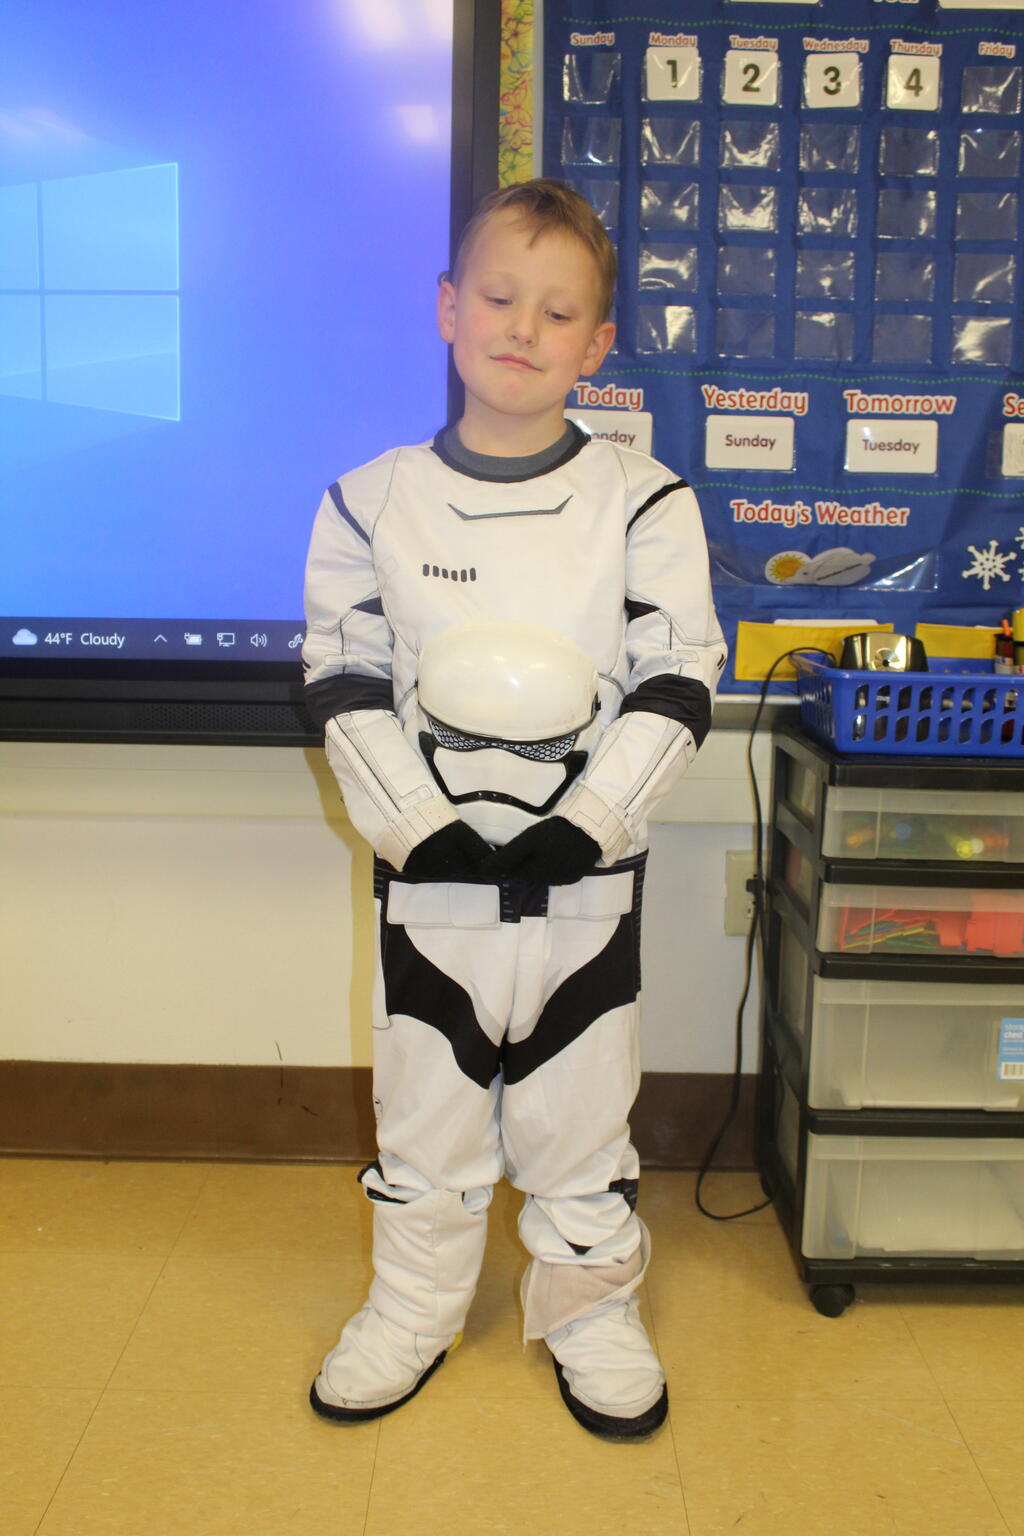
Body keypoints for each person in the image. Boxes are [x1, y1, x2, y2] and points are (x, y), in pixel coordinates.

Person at [302, 178, 726, 1440]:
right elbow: (341, 678)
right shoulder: (369, 500)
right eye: (497, 298)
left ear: (598, 344)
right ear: (447, 308)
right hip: (428, 885)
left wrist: (586, 827)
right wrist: (416, 830)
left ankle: (591, 1312)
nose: (522, 330)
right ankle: (411, 1310)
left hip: (585, 889)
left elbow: (678, 677)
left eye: (558, 312)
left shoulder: (644, 501)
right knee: (426, 1117)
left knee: (579, 1119)